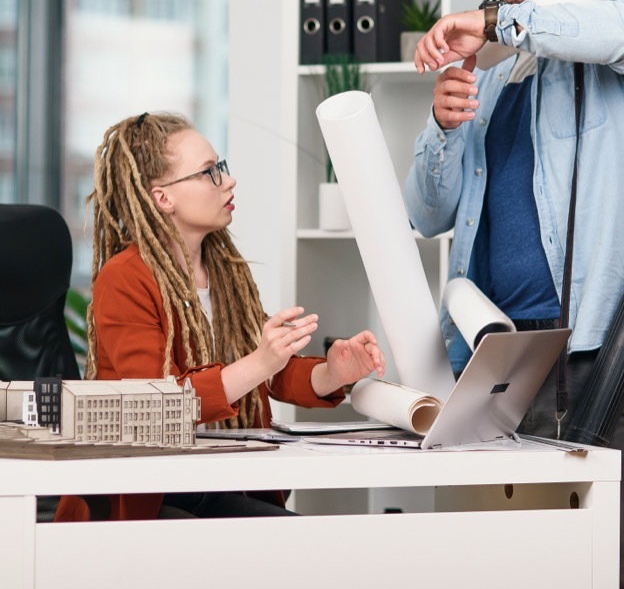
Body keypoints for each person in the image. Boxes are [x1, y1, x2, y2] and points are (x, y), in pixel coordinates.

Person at [404, 0, 624, 589]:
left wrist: (495, 20)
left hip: (598, 351)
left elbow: (619, 33)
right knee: (511, 567)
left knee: (596, 566)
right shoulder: (489, 79)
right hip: (500, 363)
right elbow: (427, 212)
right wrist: (443, 125)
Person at [55, 111, 384, 522]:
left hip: (223, 480)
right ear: (163, 198)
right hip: (157, 492)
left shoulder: (225, 269)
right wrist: (261, 361)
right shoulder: (124, 278)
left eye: (221, 167)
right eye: (209, 172)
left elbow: (270, 374)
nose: (228, 180)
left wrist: (334, 373)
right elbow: (157, 402)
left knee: (305, 542)